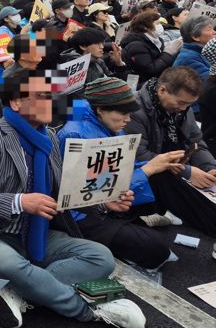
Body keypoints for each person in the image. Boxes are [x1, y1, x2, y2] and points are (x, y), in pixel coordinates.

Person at [0, 68, 146, 328]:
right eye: (43, 95)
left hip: (36, 231)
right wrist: (21, 201)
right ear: (17, 102)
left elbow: (63, 191)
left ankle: (22, 289)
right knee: (8, 263)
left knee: (102, 257)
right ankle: (88, 310)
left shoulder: (49, 137)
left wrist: (102, 201)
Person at [57, 78, 180, 271]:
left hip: (109, 205)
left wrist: (155, 163)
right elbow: (89, 190)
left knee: (165, 172)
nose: (127, 120)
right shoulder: (75, 135)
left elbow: (120, 168)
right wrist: (148, 169)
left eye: (130, 113)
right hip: (81, 215)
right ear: (100, 110)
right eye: (123, 113)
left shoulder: (111, 126)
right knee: (158, 249)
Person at [126, 67, 216, 236]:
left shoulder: (182, 109)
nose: (184, 109)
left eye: (190, 104)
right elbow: (138, 156)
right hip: (151, 174)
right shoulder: (134, 110)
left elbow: (196, 142)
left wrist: (209, 167)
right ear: (162, 90)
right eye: (181, 103)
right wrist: (187, 172)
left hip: (176, 163)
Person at [121, 11, 182, 85]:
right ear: (145, 27)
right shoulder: (136, 46)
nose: (160, 26)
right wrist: (167, 53)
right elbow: (150, 71)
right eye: (157, 23)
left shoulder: (157, 40)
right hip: (142, 84)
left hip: (158, 80)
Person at [62, 27, 127, 83]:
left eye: (102, 43)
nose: (102, 47)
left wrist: (119, 63)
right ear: (83, 46)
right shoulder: (68, 66)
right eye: (97, 43)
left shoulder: (99, 61)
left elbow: (115, 84)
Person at [172, 16, 214, 80]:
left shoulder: (201, 52)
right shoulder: (187, 59)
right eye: (209, 29)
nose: (214, 32)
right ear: (195, 36)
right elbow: (210, 81)